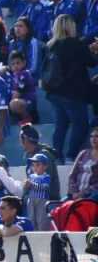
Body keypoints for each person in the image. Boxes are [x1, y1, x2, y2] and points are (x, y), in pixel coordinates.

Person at [45, 15, 97, 162]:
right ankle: (71, 156)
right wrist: (94, 50)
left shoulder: (51, 45)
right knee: (81, 125)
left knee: (60, 126)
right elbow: (91, 62)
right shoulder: (75, 43)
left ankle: (56, 157)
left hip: (54, 92)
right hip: (73, 93)